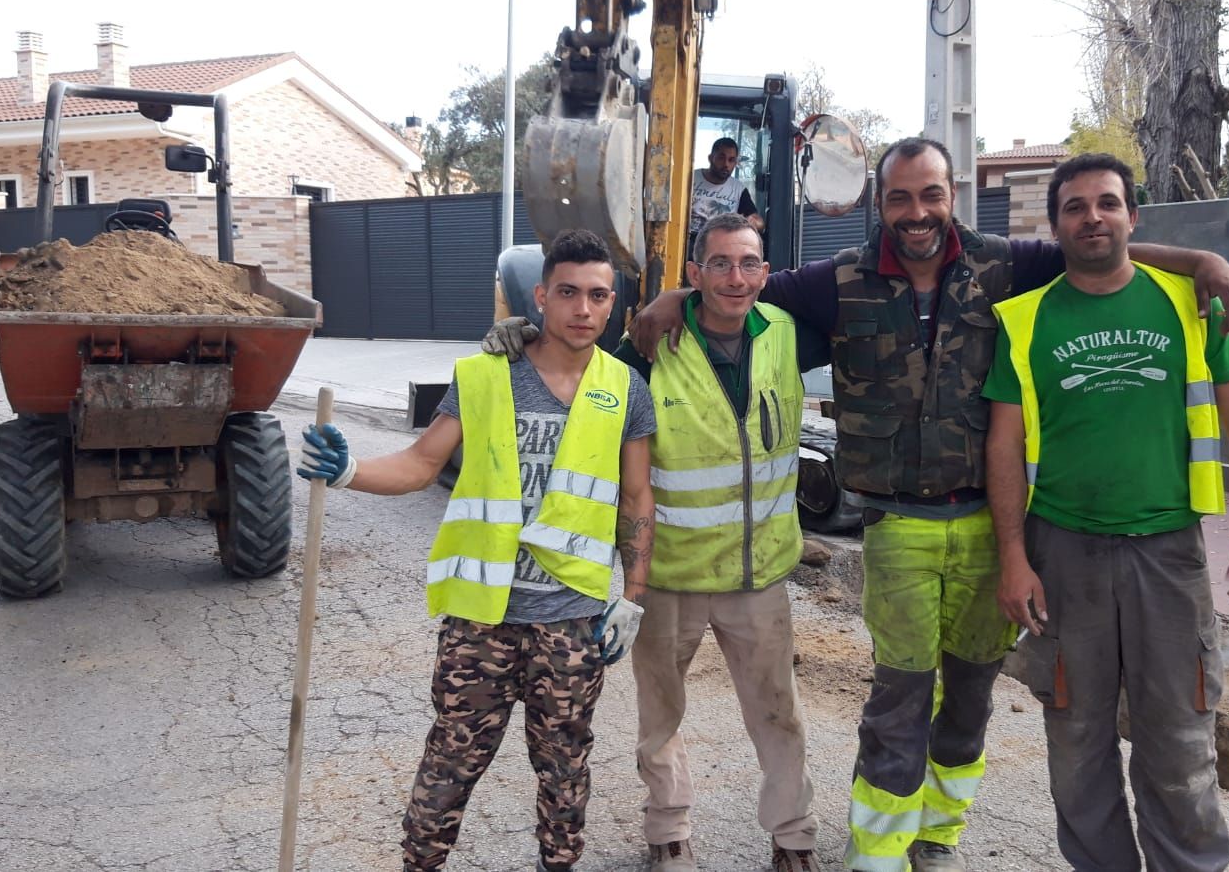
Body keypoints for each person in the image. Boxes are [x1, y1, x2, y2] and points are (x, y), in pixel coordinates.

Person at [628, 136, 1229, 872]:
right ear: (879, 203)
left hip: (988, 527)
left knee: (969, 699)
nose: (916, 211)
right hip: (896, 527)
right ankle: (877, 855)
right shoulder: (838, 281)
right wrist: (672, 298)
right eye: (899, 197)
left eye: (930, 194)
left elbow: (1100, 250)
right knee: (898, 697)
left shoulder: (1005, 265)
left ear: (951, 196)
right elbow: (738, 289)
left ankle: (938, 834)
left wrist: (1198, 261)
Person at [297, 228, 657, 872]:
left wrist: (631, 598)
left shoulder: (626, 388)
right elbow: (420, 462)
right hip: (480, 621)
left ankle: (559, 864)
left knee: (565, 769)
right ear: (541, 297)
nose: (583, 309)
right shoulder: (486, 375)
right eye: (568, 293)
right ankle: (420, 863)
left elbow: (636, 498)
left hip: (571, 620)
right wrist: (350, 471)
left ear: (613, 303)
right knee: (450, 763)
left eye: (598, 295)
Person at [983, 153, 1229, 872]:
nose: (1092, 218)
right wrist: (1014, 557)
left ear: (1132, 217)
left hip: (1168, 556)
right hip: (1063, 556)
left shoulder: (1190, 305)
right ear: (1056, 226)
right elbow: (1003, 444)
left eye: (1107, 203)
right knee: (1075, 744)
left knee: (1179, 742)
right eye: (1075, 207)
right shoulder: (1023, 321)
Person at [614, 212, 831, 872]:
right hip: (670, 574)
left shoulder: (789, 333)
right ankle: (668, 830)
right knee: (660, 713)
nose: (735, 278)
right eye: (719, 264)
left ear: (765, 273)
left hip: (757, 575)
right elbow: (579, 381)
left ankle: (792, 835)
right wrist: (519, 343)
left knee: (778, 713)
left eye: (748, 263)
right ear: (694, 272)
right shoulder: (649, 343)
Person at [689, 137, 764, 254]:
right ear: (710, 158)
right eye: (721, 158)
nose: (726, 164)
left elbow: (757, 220)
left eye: (731, 160)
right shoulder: (690, 179)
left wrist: (754, 222)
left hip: (720, 246)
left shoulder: (739, 189)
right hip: (689, 242)